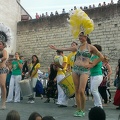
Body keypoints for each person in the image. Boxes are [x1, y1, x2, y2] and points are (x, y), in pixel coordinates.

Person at [49, 32, 104, 117]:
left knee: (82, 91)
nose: (80, 38)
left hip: (84, 70)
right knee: (76, 90)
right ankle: (78, 109)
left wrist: (92, 64)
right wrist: (55, 48)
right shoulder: (77, 47)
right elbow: (66, 48)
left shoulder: (91, 47)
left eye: (81, 36)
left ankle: (82, 109)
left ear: (86, 37)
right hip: (75, 69)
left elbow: (101, 57)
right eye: (79, 36)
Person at [0, 41, 8, 109]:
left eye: (0, 44)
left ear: (3, 45)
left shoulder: (4, 51)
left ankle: (3, 102)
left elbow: (5, 57)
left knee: (2, 85)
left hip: (2, 69)